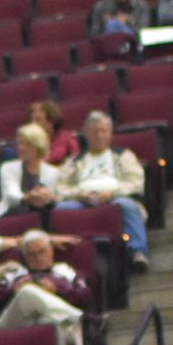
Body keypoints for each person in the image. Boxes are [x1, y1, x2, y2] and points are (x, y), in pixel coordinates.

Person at [57, 110, 149, 266]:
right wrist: (80, 194)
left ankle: (137, 251)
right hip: (82, 201)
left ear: (111, 133)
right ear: (85, 133)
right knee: (61, 208)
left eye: (103, 131)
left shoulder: (123, 155)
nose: (99, 136)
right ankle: (69, 256)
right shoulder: (73, 161)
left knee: (128, 205)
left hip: (115, 198)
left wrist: (111, 194)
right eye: (94, 131)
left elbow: (136, 182)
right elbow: (61, 187)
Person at [0, 124, 63, 219]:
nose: (21, 148)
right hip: (11, 215)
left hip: (40, 215)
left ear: (38, 146)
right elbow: (11, 195)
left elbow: (53, 198)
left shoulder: (53, 172)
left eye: (28, 144)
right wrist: (28, 198)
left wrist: (49, 197)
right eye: (19, 143)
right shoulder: (7, 168)